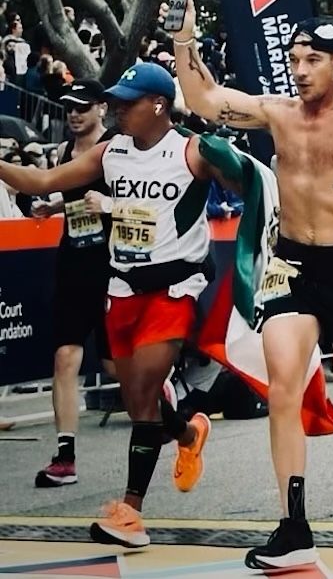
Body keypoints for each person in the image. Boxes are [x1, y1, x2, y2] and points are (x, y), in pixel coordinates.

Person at [172, 0, 333, 568]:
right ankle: (294, 526)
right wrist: (185, 39)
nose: (301, 70)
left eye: (314, 60)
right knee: (282, 389)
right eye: (295, 59)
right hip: (292, 264)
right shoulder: (279, 114)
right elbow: (205, 101)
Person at [0, 62, 218, 548]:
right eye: (115, 101)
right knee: (137, 396)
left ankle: (130, 513)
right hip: (123, 286)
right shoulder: (112, 151)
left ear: (158, 105)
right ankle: (187, 435)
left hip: (175, 286)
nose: (118, 109)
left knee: (144, 392)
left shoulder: (191, 150)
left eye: (128, 102)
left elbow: (250, 184)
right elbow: (43, 181)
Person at [30, 80, 121, 488]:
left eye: (82, 107)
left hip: (111, 266)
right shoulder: (65, 152)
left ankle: (169, 413)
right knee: (65, 357)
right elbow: (71, 196)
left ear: (102, 108)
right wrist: (53, 205)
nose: (73, 114)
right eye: (69, 107)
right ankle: (64, 457)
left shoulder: (117, 149)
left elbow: (145, 204)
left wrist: (109, 205)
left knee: (115, 366)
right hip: (72, 263)